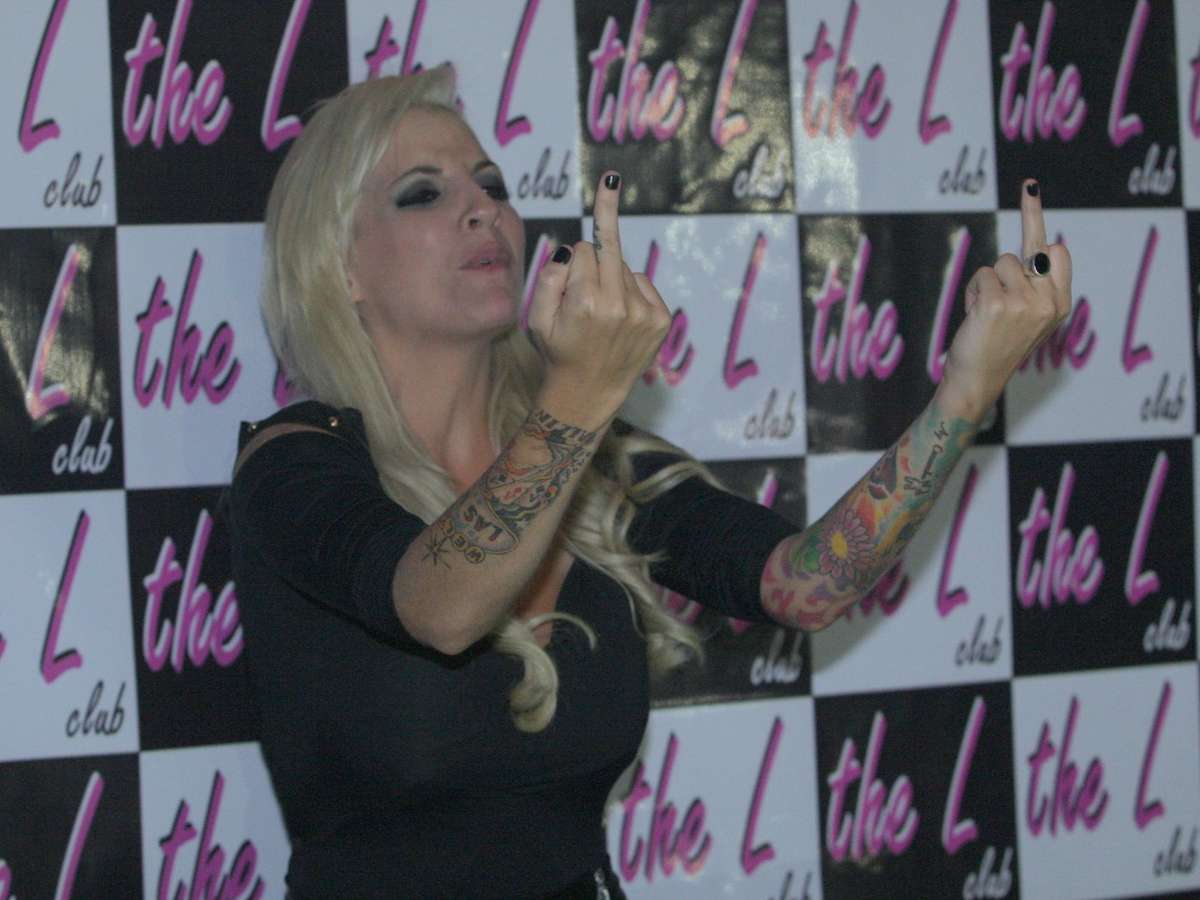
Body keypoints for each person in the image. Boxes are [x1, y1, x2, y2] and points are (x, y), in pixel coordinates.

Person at [226, 65, 1071, 899]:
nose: (483, 208)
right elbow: (441, 607)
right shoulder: (295, 462)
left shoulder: (593, 452)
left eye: (493, 184)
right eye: (423, 194)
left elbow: (808, 583)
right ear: (340, 267)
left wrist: (967, 392)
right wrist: (580, 392)